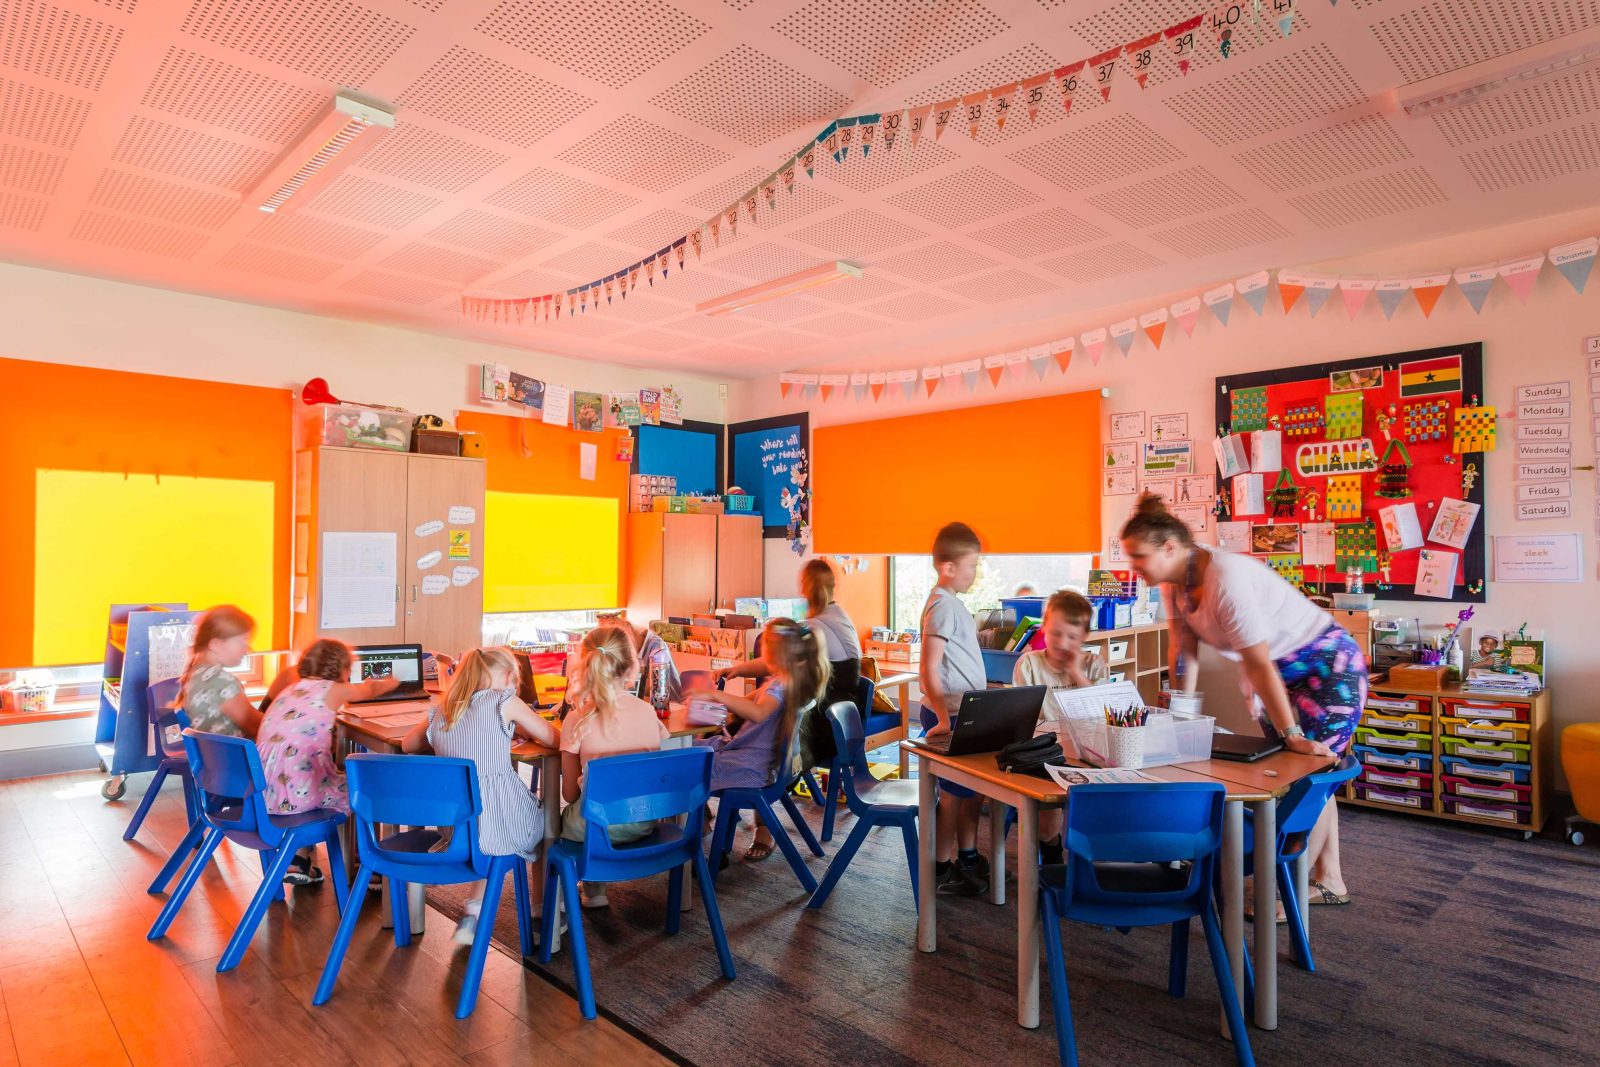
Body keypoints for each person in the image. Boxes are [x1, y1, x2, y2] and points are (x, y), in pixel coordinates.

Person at [1121, 493, 1363, 909]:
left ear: (1170, 548)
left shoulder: (1225, 578)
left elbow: (1259, 661)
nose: (1133, 569)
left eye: (1139, 558)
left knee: (1306, 777)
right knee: (1311, 779)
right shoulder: (1175, 583)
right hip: (1277, 677)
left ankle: (1286, 897)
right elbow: (1183, 648)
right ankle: (1330, 879)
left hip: (1328, 668)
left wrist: (1291, 734)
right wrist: (1181, 713)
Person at [402, 646, 558, 945]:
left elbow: (409, 745)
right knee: (548, 823)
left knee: (487, 829)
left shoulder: (443, 709)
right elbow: (553, 738)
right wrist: (521, 730)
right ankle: (545, 911)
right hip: (502, 822)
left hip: (456, 827)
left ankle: (475, 910)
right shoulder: (505, 701)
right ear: (510, 676)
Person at [257, 638, 398, 885]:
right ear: (343, 670)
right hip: (299, 788)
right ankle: (372, 865)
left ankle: (298, 860)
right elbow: (369, 691)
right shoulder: (334, 689)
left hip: (264, 789)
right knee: (363, 789)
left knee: (317, 776)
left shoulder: (292, 688)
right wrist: (392, 682)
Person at [702, 619, 829, 862]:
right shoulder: (793, 681)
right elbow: (751, 704)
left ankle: (699, 834)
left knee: (683, 765)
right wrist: (726, 701)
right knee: (696, 752)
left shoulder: (779, 687)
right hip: (772, 766)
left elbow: (758, 712)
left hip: (753, 768)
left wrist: (714, 694)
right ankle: (702, 827)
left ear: (773, 652)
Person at [559, 627, 668, 909]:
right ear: (631, 666)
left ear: (584, 667)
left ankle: (562, 902)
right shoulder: (648, 712)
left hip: (593, 829)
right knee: (604, 805)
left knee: (562, 815)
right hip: (644, 821)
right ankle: (594, 887)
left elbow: (570, 794)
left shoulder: (576, 720)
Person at [919, 522, 990, 897]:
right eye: (971, 566)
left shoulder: (951, 604)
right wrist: (945, 718)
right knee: (952, 794)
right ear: (948, 567)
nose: (974, 574)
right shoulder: (941, 605)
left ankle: (967, 856)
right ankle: (941, 866)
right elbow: (929, 667)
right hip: (949, 716)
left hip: (964, 711)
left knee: (970, 791)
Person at [1012, 589, 1109, 867]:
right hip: (1044, 751)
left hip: (1089, 752)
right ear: (1044, 627)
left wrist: (1077, 673)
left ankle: (1091, 853)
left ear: (1084, 637)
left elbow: (1102, 712)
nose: (1062, 643)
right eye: (1055, 633)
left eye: (1072, 637)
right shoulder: (1029, 664)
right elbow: (1021, 716)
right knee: (1049, 804)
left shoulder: (1093, 664)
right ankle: (1052, 848)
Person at [799, 558, 862, 769]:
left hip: (828, 722)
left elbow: (779, 663)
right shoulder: (840, 615)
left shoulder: (814, 626)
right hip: (847, 713)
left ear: (805, 589)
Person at [175, 605, 262, 739]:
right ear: (216, 645)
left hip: (216, 759)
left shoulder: (196, 673)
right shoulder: (221, 682)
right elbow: (258, 727)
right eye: (243, 641)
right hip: (239, 758)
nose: (248, 649)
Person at [597, 612, 680, 704]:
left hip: (668, 705)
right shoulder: (623, 650)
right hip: (638, 704)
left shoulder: (657, 649)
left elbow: (658, 692)